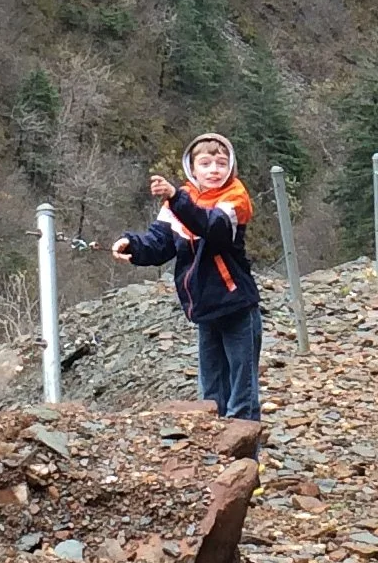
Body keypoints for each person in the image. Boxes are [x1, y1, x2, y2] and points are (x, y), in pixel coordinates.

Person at [113, 131, 264, 422]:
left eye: (221, 163)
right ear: (192, 168)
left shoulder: (235, 198)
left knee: (242, 396)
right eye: (205, 163)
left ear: (231, 167)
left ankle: (244, 463)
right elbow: (160, 244)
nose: (214, 170)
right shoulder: (181, 201)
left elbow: (214, 228)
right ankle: (215, 460)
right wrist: (132, 244)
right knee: (210, 396)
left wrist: (176, 198)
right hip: (204, 310)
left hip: (236, 307)